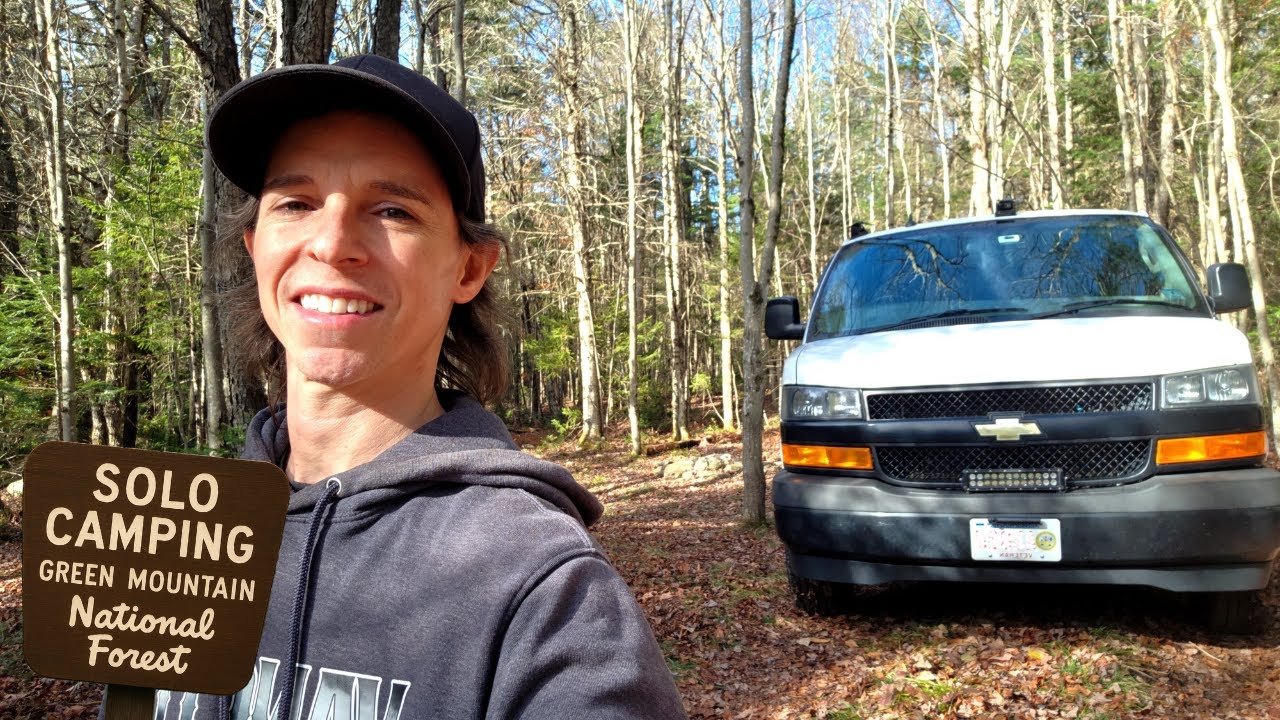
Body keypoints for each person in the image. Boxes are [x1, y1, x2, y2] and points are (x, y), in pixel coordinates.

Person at [156, 54, 688, 719]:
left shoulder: (542, 588)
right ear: (254, 242)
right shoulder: (177, 539)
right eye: (296, 203)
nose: (333, 242)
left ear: (470, 267)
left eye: (392, 210)